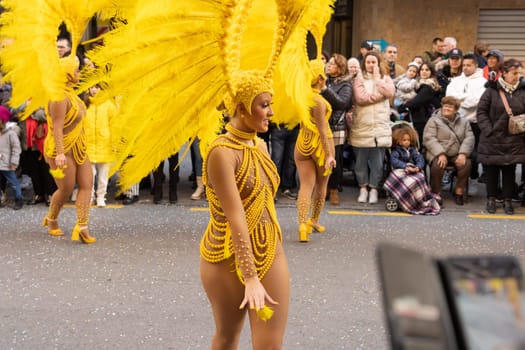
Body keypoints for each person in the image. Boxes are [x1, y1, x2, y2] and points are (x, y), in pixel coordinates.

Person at [200, 72, 290, 349]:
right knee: (227, 338)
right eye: (263, 105)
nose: (271, 112)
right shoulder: (221, 153)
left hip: (268, 248)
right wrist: (250, 277)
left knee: (270, 344)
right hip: (226, 256)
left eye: (270, 104)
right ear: (241, 108)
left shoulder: (260, 145)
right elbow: (235, 215)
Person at [42, 54, 96, 243]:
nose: (78, 73)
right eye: (76, 70)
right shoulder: (58, 97)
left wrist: (89, 99)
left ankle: (82, 226)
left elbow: (79, 114)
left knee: (87, 184)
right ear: (66, 73)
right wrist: (60, 153)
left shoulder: (73, 94)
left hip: (79, 146)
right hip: (61, 149)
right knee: (65, 189)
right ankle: (51, 219)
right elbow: (56, 126)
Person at [476, 58, 525, 215]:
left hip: (514, 138)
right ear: (504, 73)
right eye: (514, 73)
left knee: (509, 170)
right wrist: (488, 130)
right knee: (491, 170)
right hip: (492, 137)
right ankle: (491, 198)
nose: (517, 76)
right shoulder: (491, 90)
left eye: (519, 73)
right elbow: (481, 112)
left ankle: (508, 200)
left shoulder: (522, 91)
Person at [295, 60, 336, 242]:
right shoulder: (318, 101)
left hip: (302, 142)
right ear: (319, 78)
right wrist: (328, 155)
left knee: (306, 185)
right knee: (321, 185)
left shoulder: (301, 96)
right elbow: (321, 129)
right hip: (321, 144)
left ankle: (303, 224)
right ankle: (313, 219)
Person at [350, 51, 395, 204]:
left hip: (380, 126)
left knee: (377, 160)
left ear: (378, 63)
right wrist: (381, 97)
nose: (370, 65)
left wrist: (377, 81)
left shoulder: (385, 78)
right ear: (364, 63)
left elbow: (390, 92)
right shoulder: (358, 78)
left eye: (373, 62)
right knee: (361, 160)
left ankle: (374, 188)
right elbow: (361, 98)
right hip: (362, 124)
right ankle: (363, 187)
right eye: (368, 62)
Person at [423, 96, 474, 206]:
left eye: (450, 107)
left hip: (456, 152)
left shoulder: (464, 122)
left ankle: (459, 191)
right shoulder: (433, 120)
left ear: (456, 109)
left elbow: (469, 138)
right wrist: (440, 153)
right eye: (445, 106)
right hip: (437, 152)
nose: (447, 108)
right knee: (438, 165)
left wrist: (463, 154)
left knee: (466, 164)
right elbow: (429, 138)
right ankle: (436, 192)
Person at [445, 53, 487, 180]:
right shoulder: (456, 81)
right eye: (464, 65)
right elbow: (449, 99)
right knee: (457, 150)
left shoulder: (483, 82)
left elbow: (476, 101)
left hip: (474, 122)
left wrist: (459, 99)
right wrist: (464, 98)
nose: (465, 68)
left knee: (473, 153)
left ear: (476, 66)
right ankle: (457, 176)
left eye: (469, 65)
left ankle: (472, 176)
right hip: (456, 122)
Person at [383, 124, 440, 215]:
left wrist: (418, 167)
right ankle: (408, 200)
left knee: (420, 178)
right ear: (398, 141)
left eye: (408, 140)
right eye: (404, 140)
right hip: (400, 170)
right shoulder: (396, 151)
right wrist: (405, 166)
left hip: (414, 169)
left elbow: (419, 159)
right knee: (410, 181)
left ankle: (420, 198)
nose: (407, 142)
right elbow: (394, 161)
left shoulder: (413, 150)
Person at [320, 53, 352, 206]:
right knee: (321, 157)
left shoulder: (345, 84)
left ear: (340, 68)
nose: (329, 65)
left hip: (336, 126)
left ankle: (334, 189)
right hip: (321, 126)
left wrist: (325, 89)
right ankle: (323, 188)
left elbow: (342, 103)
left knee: (335, 159)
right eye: (329, 63)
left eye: (333, 64)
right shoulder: (323, 80)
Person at [84, 84, 118, 207]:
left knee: (103, 175)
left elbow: (114, 125)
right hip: (89, 144)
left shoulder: (109, 105)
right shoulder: (85, 104)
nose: (94, 90)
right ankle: (90, 196)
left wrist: (114, 143)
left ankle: (101, 197)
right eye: (92, 87)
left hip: (105, 143)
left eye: (98, 87)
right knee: (89, 175)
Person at [398, 62, 441, 146]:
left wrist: (402, 107)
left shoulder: (427, 86)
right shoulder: (419, 84)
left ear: (431, 72)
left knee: (418, 144)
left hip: (422, 120)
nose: (424, 72)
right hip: (418, 119)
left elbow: (417, 102)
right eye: (422, 69)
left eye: (427, 70)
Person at [24, 108, 56, 206]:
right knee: (34, 169)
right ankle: (39, 194)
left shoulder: (50, 96)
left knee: (47, 169)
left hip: (47, 138)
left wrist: (32, 113)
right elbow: (16, 111)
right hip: (30, 138)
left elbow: (49, 115)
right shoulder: (25, 97)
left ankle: (51, 194)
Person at [0, 108, 23, 210]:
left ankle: (19, 199)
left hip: (7, 163)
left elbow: (16, 148)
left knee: (14, 183)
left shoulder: (11, 133)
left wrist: (14, 162)